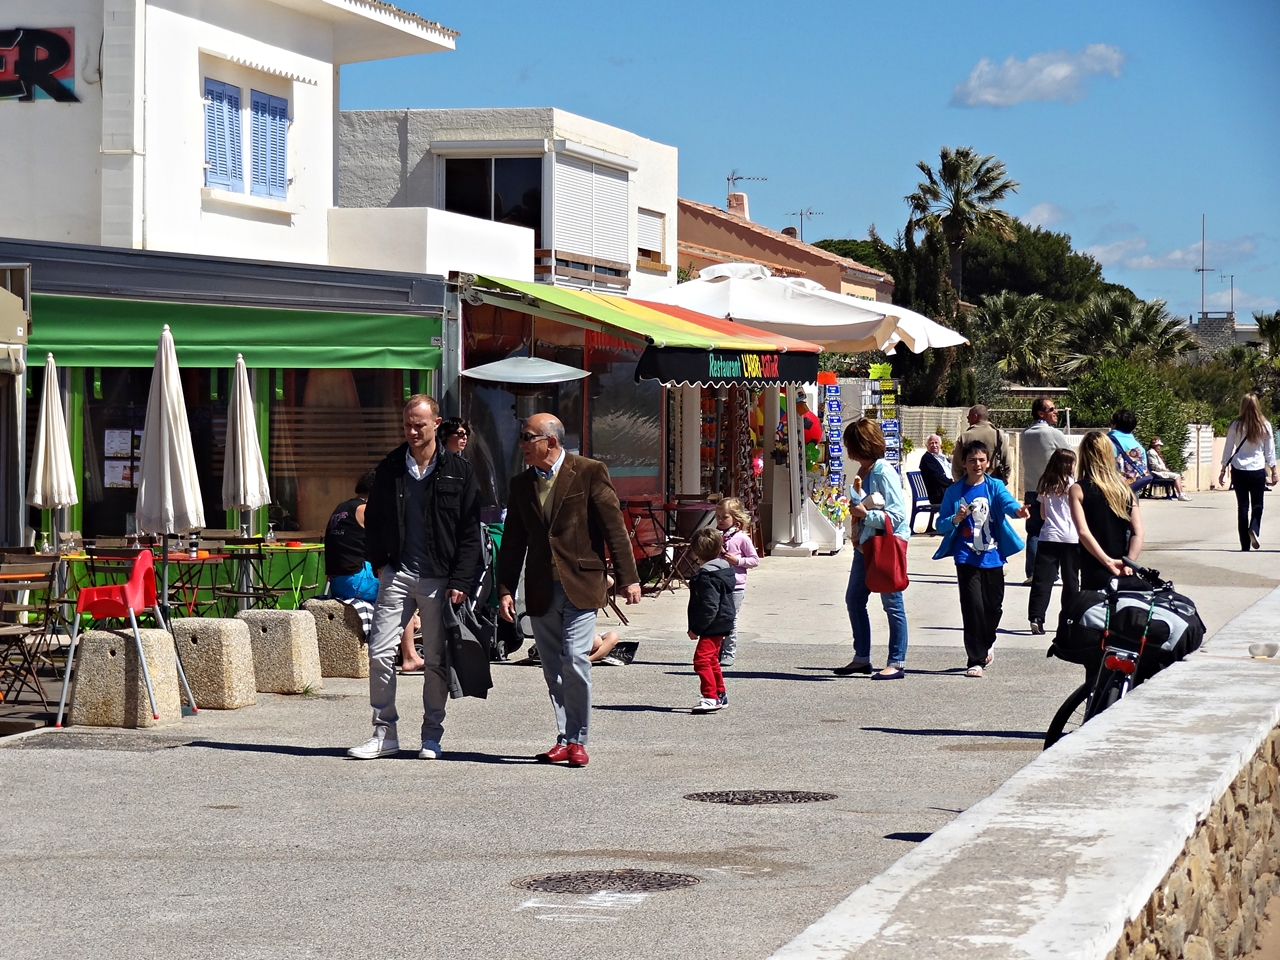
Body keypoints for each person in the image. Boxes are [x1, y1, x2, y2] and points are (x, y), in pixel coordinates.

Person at [497, 413, 641, 768]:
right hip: (542, 587)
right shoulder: (520, 484)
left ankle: (578, 739)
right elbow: (513, 541)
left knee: (575, 659)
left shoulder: (589, 470)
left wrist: (629, 577)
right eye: (521, 437)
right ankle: (564, 737)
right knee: (552, 668)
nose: (522, 445)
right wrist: (503, 590)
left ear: (552, 441)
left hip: (581, 582)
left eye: (528, 437)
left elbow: (613, 528)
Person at [346, 395, 482, 761]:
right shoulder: (391, 466)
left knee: (436, 659)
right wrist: (380, 564)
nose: (412, 430)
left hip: (440, 578)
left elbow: (470, 530)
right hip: (398, 573)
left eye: (419, 424)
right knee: (379, 652)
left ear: (436, 423)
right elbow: (374, 519)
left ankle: (431, 735)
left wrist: (462, 580)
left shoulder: (458, 470)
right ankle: (383, 732)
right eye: (407, 423)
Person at [934, 440, 1029, 678]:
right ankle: (975, 659)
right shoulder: (954, 491)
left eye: (981, 460)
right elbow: (940, 523)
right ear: (964, 463)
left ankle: (988, 640)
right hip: (965, 556)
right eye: (972, 460)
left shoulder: (994, 486)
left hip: (993, 556)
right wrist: (956, 519)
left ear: (987, 463)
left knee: (993, 607)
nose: (977, 464)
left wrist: (1018, 511)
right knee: (972, 607)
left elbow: (1007, 503)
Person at [834, 418, 911, 680]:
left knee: (892, 603)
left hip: (884, 544)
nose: (846, 450)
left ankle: (897, 661)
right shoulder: (864, 471)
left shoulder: (882, 472)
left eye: (850, 445)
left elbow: (897, 515)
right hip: (865, 544)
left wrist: (864, 514)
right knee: (854, 598)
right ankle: (861, 657)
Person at [324, 469, 424, 671]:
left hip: (338, 581)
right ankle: (410, 656)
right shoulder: (365, 511)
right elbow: (388, 543)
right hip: (354, 581)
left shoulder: (342, 508)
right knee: (402, 590)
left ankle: (412, 624)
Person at [1070, 431, 1144, 590]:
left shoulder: (1078, 489)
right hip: (1124, 567)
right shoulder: (1125, 489)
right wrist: (1129, 562)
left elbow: (1083, 532)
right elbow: (1138, 532)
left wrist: (1107, 561)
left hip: (1094, 565)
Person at [1027, 449, 1080, 635]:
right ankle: (1069, 620)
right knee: (1071, 581)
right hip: (1072, 538)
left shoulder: (1045, 485)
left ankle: (1036, 618)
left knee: (1042, 581)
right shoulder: (1075, 486)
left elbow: (1042, 514)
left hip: (1049, 536)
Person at [1020, 398, 1072, 583]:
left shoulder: (1025, 434)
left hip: (1031, 489)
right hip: (1052, 490)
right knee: (1055, 530)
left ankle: (1033, 572)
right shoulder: (1052, 433)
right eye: (1052, 409)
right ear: (1041, 413)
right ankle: (1052, 571)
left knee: (1033, 532)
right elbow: (1069, 457)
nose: (1056, 412)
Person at [685, 527, 737, 714]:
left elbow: (709, 606)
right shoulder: (723, 570)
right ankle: (719, 693)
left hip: (712, 624)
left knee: (701, 660)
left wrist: (697, 628)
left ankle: (710, 697)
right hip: (723, 620)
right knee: (712, 660)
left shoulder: (706, 576)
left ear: (696, 552)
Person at [1218, 393, 1278, 551]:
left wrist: (1223, 468)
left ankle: (1245, 544)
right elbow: (1269, 450)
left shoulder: (1235, 425)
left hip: (1238, 469)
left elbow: (1228, 448)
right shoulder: (1264, 425)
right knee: (1258, 504)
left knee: (1242, 507)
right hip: (1257, 469)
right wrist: (1274, 469)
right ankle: (1254, 528)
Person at [714, 497, 758, 668]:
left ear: (736, 518)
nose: (720, 520)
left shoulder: (741, 538)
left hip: (735, 585)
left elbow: (754, 560)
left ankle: (728, 651)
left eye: (724, 517)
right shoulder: (714, 535)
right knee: (716, 617)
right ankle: (715, 649)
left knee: (730, 618)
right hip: (716, 582)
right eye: (717, 517)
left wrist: (737, 561)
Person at [950, 405, 1007, 481]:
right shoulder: (998, 435)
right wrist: (1002, 483)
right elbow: (1007, 463)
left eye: (968, 418)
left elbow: (956, 467)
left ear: (975, 416)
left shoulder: (964, 437)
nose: (968, 421)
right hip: (992, 484)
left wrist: (961, 485)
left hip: (969, 486)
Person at [1108, 409, 1150, 492]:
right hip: (1132, 488)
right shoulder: (1139, 446)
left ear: (1114, 424)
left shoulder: (1106, 442)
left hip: (1112, 489)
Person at [919, 434, 952, 507]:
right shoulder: (927, 459)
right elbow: (937, 477)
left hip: (949, 490)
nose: (934, 445)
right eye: (931, 443)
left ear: (940, 445)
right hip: (940, 495)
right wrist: (953, 484)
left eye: (936, 443)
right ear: (927, 446)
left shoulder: (943, 458)